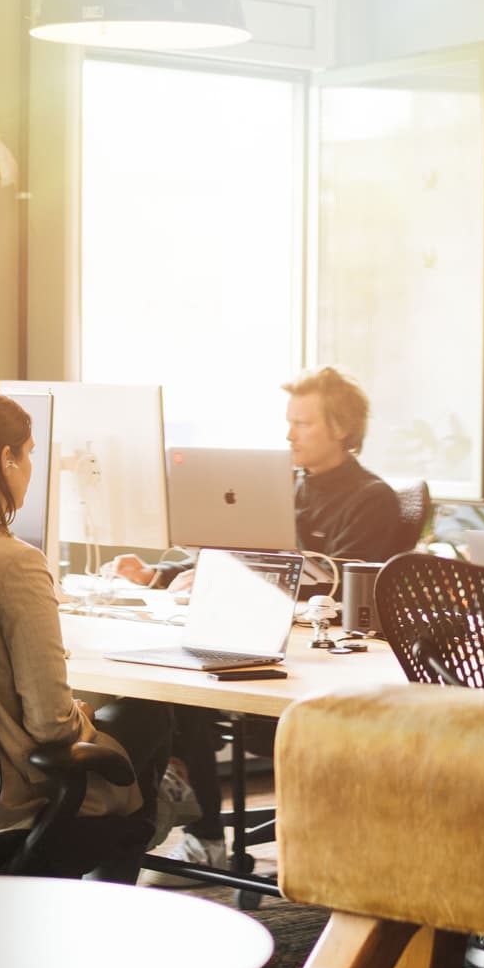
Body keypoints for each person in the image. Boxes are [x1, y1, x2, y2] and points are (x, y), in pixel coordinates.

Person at [115, 366, 411, 882]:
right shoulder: (285, 486)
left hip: (319, 659)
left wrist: (243, 581)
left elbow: (334, 587)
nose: (289, 434)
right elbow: (241, 547)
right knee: (173, 684)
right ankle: (202, 837)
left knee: (189, 686)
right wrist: (163, 574)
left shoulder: (372, 498)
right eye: (288, 421)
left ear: (340, 428)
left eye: (303, 423)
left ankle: (197, 829)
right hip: (261, 636)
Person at [0, 388, 172, 881]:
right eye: (28, 455)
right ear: (6, 459)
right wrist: (77, 715)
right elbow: (51, 727)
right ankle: (97, 898)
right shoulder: (15, 562)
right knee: (152, 720)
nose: (30, 468)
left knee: (127, 730)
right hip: (7, 800)